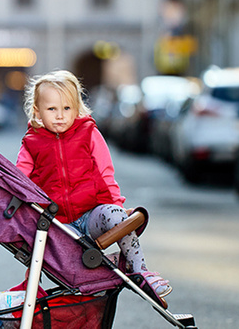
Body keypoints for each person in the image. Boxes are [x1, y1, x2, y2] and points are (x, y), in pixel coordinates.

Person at [16, 70, 172, 306]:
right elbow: (19, 181)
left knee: (115, 215)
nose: (60, 116)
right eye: (52, 109)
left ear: (77, 108)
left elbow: (106, 174)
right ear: (37, 111)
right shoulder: (31, 142)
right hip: (57, 225)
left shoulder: (89, 133)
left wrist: (118, 211)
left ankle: (140, 271)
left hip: (91, 217)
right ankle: (35, 289)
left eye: (67, 109)